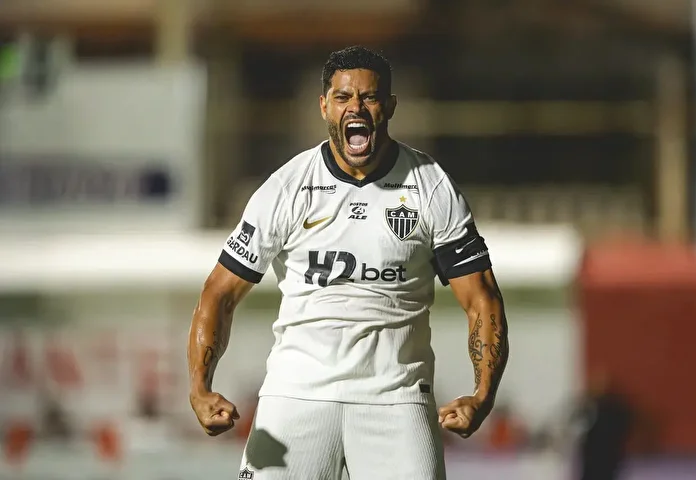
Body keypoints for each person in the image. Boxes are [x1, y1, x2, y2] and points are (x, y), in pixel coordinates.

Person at [187, 45, 509, 480]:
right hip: (294, 395)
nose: (355, 107)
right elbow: (219, 292)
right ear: (324, 106)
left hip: (397, 400)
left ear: (389, 106)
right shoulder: (286, 187)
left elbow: (482, 299)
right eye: (342, 97)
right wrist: (200, 388)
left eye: (369, 97)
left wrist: (482, 396)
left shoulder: (430, 187)